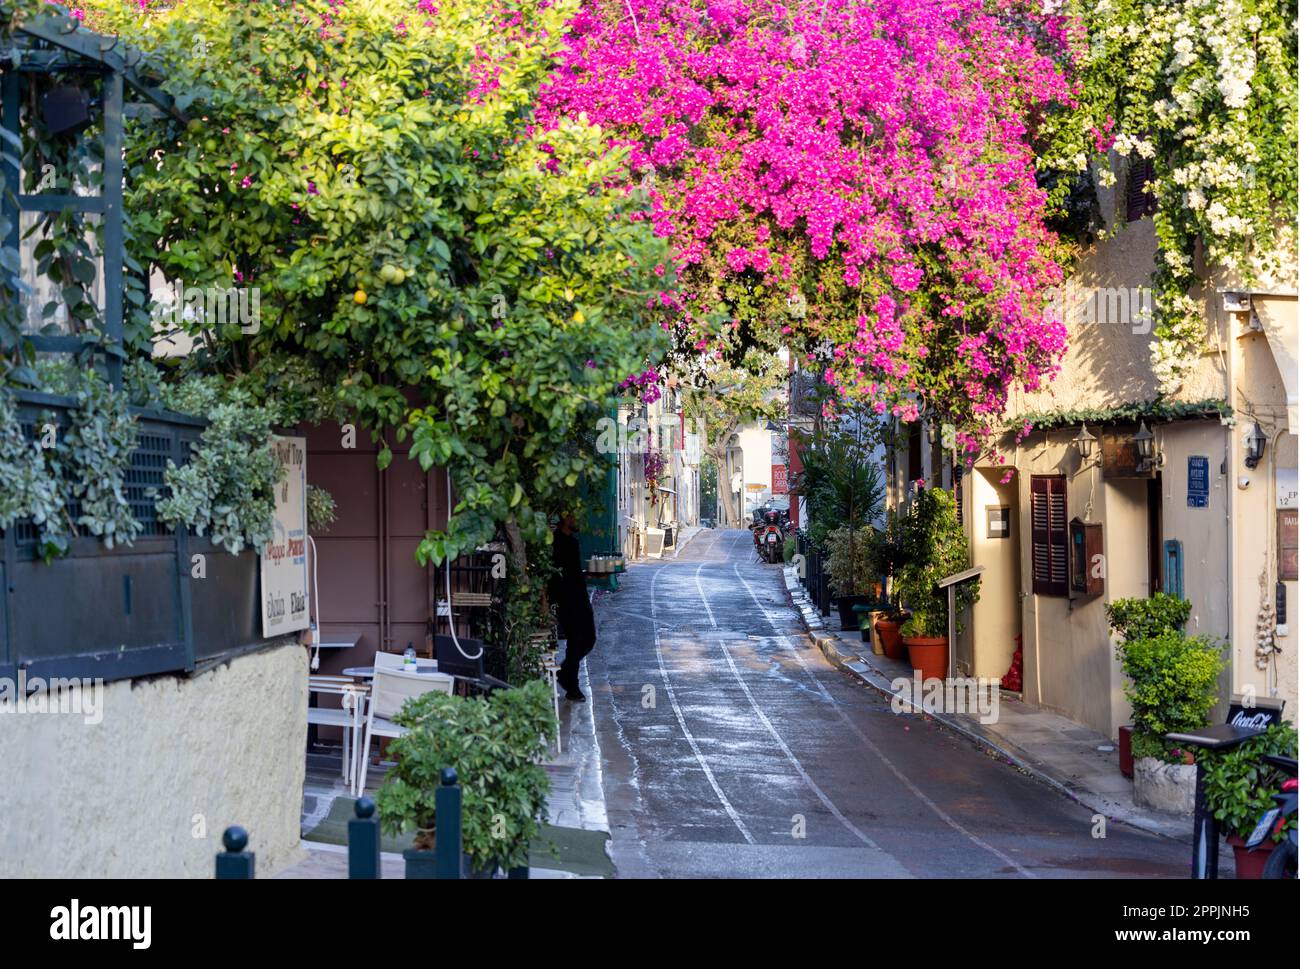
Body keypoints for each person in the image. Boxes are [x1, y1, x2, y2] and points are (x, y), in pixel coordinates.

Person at [549, 512, 596, 701]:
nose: (578, 521)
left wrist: (589, 575)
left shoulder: (572, 542)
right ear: (567, 518)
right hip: (567, 600)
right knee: (576, 642)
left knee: (588, 639)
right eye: (575, 517)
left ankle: (565, 674)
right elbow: (557, 575)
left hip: (580, 598)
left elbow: (573, 573)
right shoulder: (556, 543)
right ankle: (572, 687)